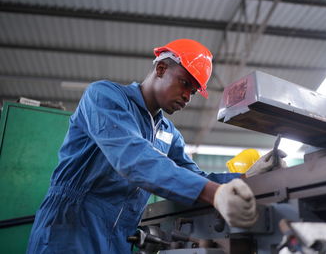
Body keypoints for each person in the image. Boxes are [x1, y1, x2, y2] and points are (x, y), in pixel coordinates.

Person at [27, 38, 285, 253]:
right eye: (185, 83)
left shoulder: (167, 132)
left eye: (193, 92)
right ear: (161, 69)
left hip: (118, 235)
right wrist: (214, 193)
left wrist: (245, 177)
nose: (187, 96)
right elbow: (133, 157)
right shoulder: (104, 97)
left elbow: (194, 177)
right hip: (71, 228)